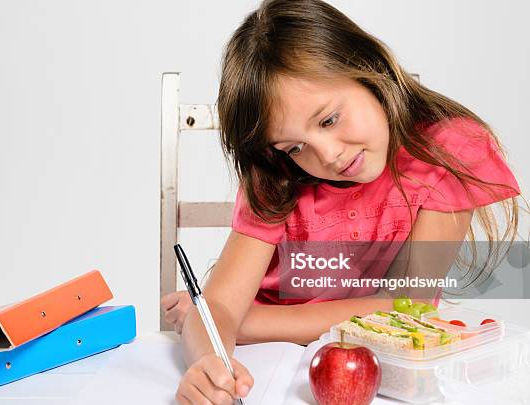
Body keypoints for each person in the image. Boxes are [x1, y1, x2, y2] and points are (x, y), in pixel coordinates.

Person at [161, 0, 525, 403]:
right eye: (295, 146)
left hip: (378, 365)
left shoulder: (448, 151)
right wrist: (207, 360)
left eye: (329, 119)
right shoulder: (277, 177)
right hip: (266, 365)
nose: (328, 156)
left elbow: (409, 304)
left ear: (370, 71)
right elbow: (216, 312)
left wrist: (246, 321)